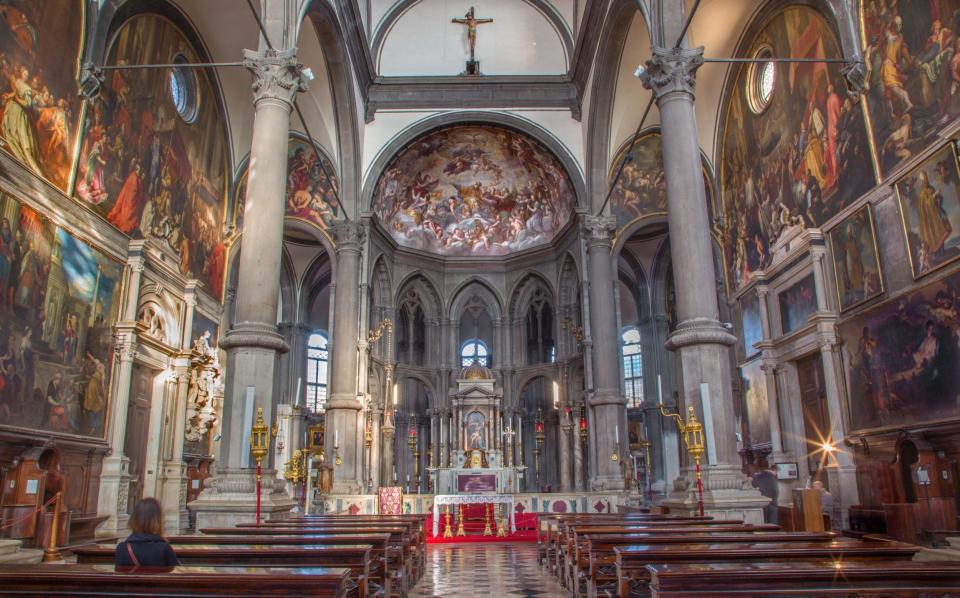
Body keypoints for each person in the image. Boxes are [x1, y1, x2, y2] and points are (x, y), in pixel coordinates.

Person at [115, 498, 179, 568]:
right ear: (158, 520)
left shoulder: (122, 548)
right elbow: (176, 574)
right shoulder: (164, 549)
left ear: (134, 518)